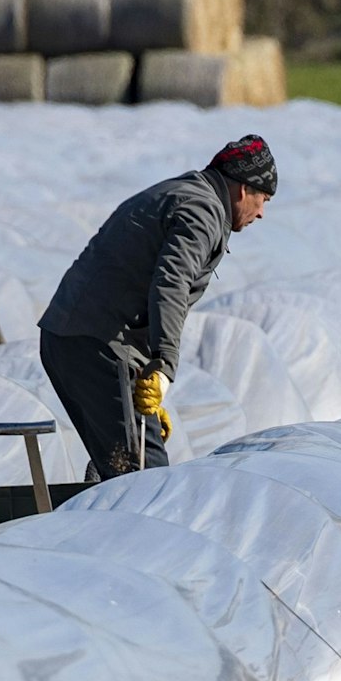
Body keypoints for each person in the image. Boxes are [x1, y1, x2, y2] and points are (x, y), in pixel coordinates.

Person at [39, 134, 276, 478]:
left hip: (70, 337)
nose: (262, 213)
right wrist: (164, 367)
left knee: (121, 461)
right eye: (263, 199)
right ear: (243, 190)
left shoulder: (179, 192)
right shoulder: (203, 211)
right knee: (145, 479)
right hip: (98, 346)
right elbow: (171, 283)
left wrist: (142, 378)